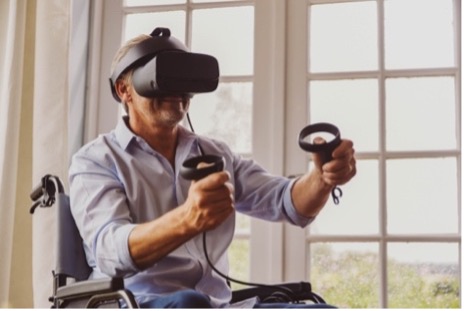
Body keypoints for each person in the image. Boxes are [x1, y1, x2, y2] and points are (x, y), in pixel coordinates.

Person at [69, 28, 356, 309]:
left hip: (219, 305)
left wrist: (322, 178)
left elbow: (286, 201)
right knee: (190, 303)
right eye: (163, 77)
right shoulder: (96, 161)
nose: (177, 90)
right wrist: (187, 219)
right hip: (139, 303)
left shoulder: (214, 153)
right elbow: (109, 252)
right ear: (124, 90)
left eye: (184, 78)